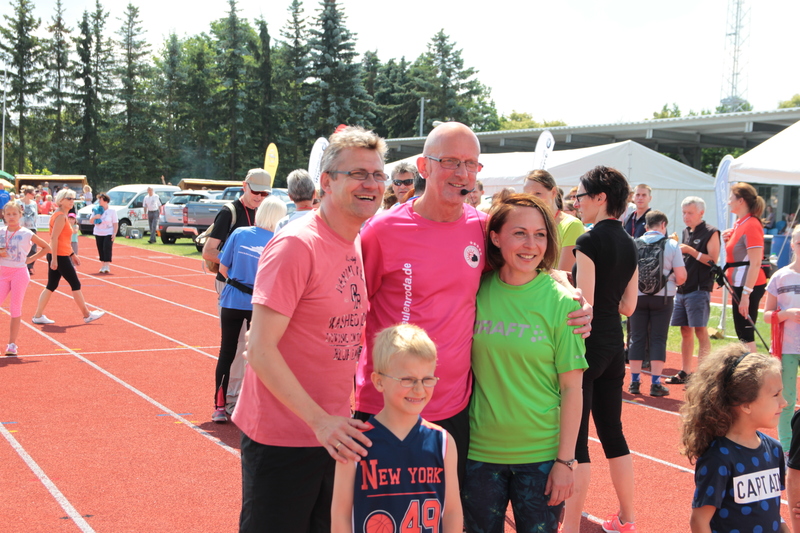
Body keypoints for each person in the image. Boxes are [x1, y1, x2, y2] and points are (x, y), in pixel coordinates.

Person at [354, 122, 592, 490]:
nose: (462, 173)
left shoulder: (482, 229)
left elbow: (524, 263)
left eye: (471, 163)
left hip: (453, 410)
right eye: (450, 161)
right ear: (424, 166)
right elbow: (352, 311)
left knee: (444, 512)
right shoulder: (381, 230)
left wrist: (565, 286)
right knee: (379, 513)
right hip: (386, 406)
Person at [231, 127, 386, 533]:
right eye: (358, 174)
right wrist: (320, 421)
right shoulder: (297, 245)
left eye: (377, 174)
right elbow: (259, 349)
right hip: (283, 439)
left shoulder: (353, 241)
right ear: (327, 181)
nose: (371, 184)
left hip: (332, 435)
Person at [464, 193, 586, 532]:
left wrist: (566, 461)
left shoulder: (563, 303)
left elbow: (572, 389)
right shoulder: (475, 290)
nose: (531, 245)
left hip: (541, 458)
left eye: (540, 234)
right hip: (479, 453)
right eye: (519, 233)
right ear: (495, 237)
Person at [563, 165, 639, 533]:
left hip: (588, 345)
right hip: (615, 344)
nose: (576, 202)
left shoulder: (588, 241)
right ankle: (627, 518)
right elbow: (630, 306)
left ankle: (570, 526)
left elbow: (585, 304)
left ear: (600, 197)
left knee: (577, 442)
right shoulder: (630, 242)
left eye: (579, 196)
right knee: (613, 432)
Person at [331, 324, 462, 533]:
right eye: (407, 380)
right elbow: (341, 515)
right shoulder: (355, 443)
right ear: (379, 381)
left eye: (427, 379)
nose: (419, 389)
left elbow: (452, 511)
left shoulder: (443, 442)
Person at [681, 345, 788, 533]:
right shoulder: (719, 458)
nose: (784, 402)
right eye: (775, 395)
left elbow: (770, 511)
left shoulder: (774, 449)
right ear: (746, 405)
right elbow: (699, 522)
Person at [202, 168, 271, 415]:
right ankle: (230, 399)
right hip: (231, 285)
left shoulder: (264, 213)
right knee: (236, 344)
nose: (259, 197)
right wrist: (238, 262)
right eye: (256, 192)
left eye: (264, 193)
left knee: (251, 345)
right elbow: (209, 251)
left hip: (256, 289)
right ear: (244, 186)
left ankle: (240, 397)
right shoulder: (230, 212)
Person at [212, 196, 286, 423]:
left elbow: (223, 269)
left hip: (232, 301)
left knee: (227, 352)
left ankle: (219, 407)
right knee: (262, 354)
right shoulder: (280, 240)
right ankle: (255, 407)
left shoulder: (239, 233)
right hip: (260, 305)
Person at [627, 210, 686, 397]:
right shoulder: (672, 244)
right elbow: (682, 277)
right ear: (663, 225)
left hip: (638, 296)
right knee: (658, 339)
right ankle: (655, 383)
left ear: (646, 226)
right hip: (663, 297)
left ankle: (634, 382)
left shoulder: (634, 243)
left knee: (636, 337)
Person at [666, 197, 721, 385]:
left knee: (700, 330)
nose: (685, 216)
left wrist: (690, 250)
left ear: (701, 213)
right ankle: (685, 371)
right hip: (683, 288)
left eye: (690, 213)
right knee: (685, 330)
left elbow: (713, 260)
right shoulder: (685, 231)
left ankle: (704, 374)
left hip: (699, 288)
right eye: (683, 212)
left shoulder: (711, 232)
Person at [31, 189, 105, 326]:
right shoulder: (60, 217)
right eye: (69, 198)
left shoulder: (61, 215)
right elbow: (54, 238)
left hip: (61, 254)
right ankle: (87, 315)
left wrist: (72, 254)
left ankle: (38, 315)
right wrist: (54, 259)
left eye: (73, 198)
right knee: (75, 284)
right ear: (61, 200)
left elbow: (63, 239)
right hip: (59, 256)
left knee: (51, 285)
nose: (72, 201)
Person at [764, 225, 800, 455]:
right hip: (787, 347)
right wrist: (786, 314)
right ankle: (787, 449)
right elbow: (766, 315)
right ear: (793, 245)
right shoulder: (780, 276)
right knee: (786, 400)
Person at [721, 182, 767, 353]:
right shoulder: (740, 224)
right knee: (742, 333)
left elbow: (755, 263)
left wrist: (746, 294)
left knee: (746, 334)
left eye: (731, 198)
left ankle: (753, 367)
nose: (728, 202)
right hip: (739, 284)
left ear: (740, 201)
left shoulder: (751, 224)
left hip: (748, 285)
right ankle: (749, 365)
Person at [0, 203, 51, 355]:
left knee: (15, 308)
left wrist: (31, 259)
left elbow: (47, 247)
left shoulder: (26, 233)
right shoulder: (1, 231)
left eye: (14, 214)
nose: (11, 217)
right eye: (8, 214)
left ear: (20, 215)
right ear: (3, 215)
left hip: (19, 274)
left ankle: (12, 344)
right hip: (2, 273)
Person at [523, 169, 585, 272]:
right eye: (527, 194)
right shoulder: (525, 225)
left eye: (537, 193)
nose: (531, 199)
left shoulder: (571, 225)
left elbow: (565, 274)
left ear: (553, 192)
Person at [90, 193, 118, 274]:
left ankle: (107, 265)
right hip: (98, 232)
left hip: (108, 232)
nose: (99, 201)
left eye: (100, 199)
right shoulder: (96, 209)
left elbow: (115, 223)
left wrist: (114, 233)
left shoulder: (112, 211)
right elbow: (91, 221)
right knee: (100, 248)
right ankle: (102, 265)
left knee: (107, 247)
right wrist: (95, 217)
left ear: (106, 201)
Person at [20, 186, 39, 275]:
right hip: (21, 228)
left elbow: (36, 215)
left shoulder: (34, 203)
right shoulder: (18, 202)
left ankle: (29, 266)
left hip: (32, 228)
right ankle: (21, 265)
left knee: (33, 249)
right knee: (21, 247)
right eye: (33, 194)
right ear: (28, 194)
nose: (34, 195)